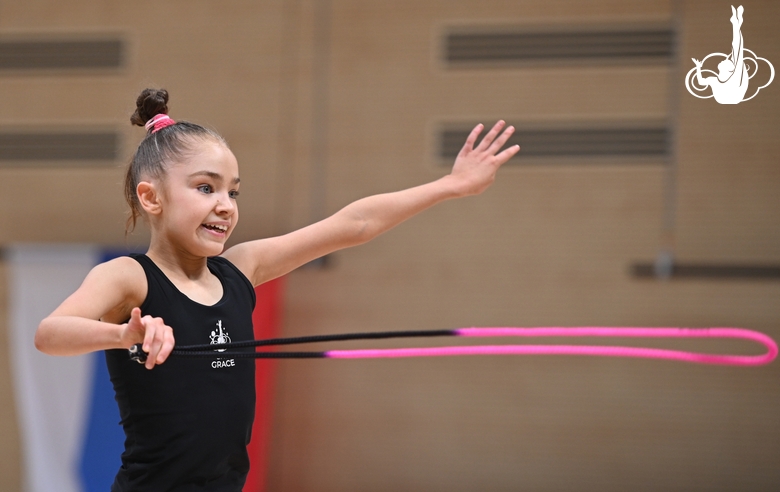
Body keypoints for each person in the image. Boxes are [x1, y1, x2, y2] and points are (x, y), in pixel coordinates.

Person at [34, 88, 519, 491]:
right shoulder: (130, 277)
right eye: (206, 188)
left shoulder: (239, 270)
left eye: (233, 192)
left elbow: (355, 223)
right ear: (151, 197)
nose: (225, 205)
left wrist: (451, 186)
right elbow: (50, 333)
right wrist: (124, 336)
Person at [692, 5, 748, 104]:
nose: (724, 59)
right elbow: (701, 82)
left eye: (727, 61)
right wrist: (698, 67)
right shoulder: (717, 79)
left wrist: (698, 67)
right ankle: (736, 23)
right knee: (737, 51)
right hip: (729, 97)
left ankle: (736, 23)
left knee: (737, 50)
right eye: (727, 60)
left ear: (729, 69)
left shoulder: (731, 78)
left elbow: (738, 49)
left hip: (732, 96)